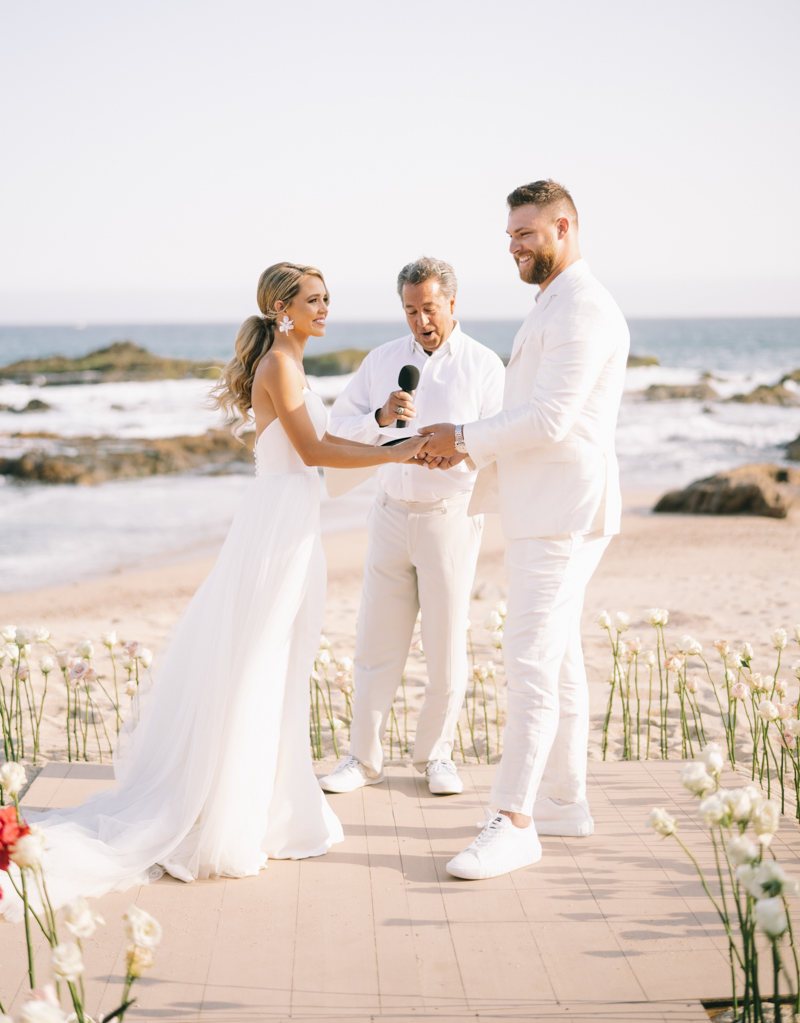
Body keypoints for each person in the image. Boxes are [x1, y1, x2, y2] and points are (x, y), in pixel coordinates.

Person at [0, 262, 424, 919]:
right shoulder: (281, 365)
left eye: (327, 298)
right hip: (279, 524)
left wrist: (377, 421)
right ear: (282, 308)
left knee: (280, 666)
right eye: (313, 300)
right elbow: (314, 450)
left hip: (289, 520)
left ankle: (268, 806)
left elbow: (317, 441)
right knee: (259, 665)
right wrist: (394, 451)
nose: (325, 308)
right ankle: (240, 814)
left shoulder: (290, 362)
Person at [417, 182, 630, 879]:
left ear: (563, 228)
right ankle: (566, 802)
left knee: (529, 659)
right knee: (558, 656)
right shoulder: (556, 303)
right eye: (510, 234)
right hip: (548, 505)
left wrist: (464, 437)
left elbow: (550, 418)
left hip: (565, 510)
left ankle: (514, 819)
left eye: (526, 234)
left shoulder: (584, 310)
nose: (513, 245)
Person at [318, 258, 504, 797]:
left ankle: (436, 757)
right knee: (375, 644)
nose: (420, 320)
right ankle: (361, 760)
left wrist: (460, 451)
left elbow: (500, 438)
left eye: (429, 308)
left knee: (446, 645)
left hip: (450, 517)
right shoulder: (381, 361)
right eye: (410, 310)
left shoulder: (485, 365)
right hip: (389, 513)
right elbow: (337, 425)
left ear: (451, 304)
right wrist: (380, 417)